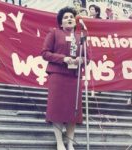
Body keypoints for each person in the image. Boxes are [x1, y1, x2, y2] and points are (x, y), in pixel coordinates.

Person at [41, 7, 85, 150]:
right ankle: (59, 142)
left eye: (71, 16)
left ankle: (70, 142)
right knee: (57, 109)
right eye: (65, 17)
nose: (69, 19)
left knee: (73, 111)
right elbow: (45, 53)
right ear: (61, 23)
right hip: (58, 76)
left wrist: (81, 60)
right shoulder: (54, 33)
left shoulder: (80, 37)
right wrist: (64, 58)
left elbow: (88, 58)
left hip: (74, 78)